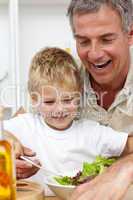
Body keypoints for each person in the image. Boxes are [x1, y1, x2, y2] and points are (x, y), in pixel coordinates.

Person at [3, 47, 133, 196]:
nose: (59, 109)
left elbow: (129, 145)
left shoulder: (91, 132)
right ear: (34, 100)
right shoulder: (25, 125)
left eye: (67, 100)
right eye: (49, 102)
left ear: (79, 96)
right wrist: (7, 136)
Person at [67, 0, 133, 133]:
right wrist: (12, 137)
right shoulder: (64, 72)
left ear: (130, 35)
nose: (94, 54)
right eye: (83, 42)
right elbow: (22, 125)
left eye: (106, 40)